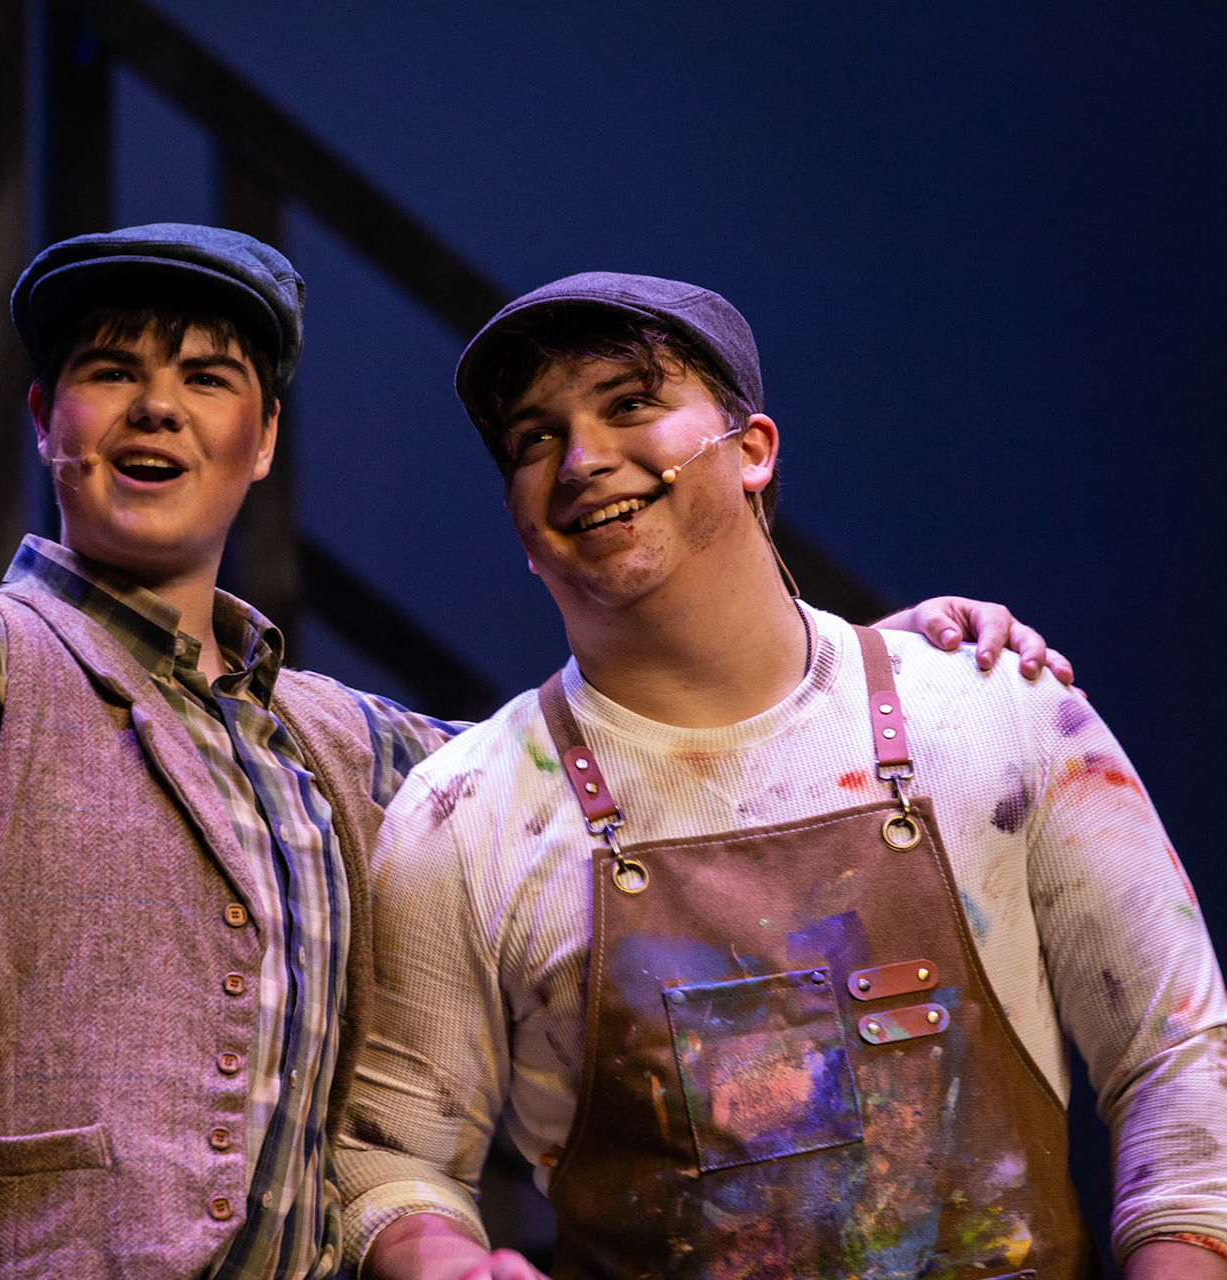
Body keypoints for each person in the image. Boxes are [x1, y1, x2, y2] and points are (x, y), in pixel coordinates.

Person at [0, 230, 1063, 1279]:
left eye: (206, 379)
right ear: (48, 422)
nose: (155, 407)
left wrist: (867, 671)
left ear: (259, 441)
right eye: (108, 373)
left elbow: (633, 782)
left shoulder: (355, 751)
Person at [333, 271, 1227, 1280]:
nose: (581, 459)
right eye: (535, 438)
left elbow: (1180, 1058)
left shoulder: (993, 713)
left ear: (753, 449)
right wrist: (443, 1262)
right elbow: (391, 1158)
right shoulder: (463, 815)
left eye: (631, 403)